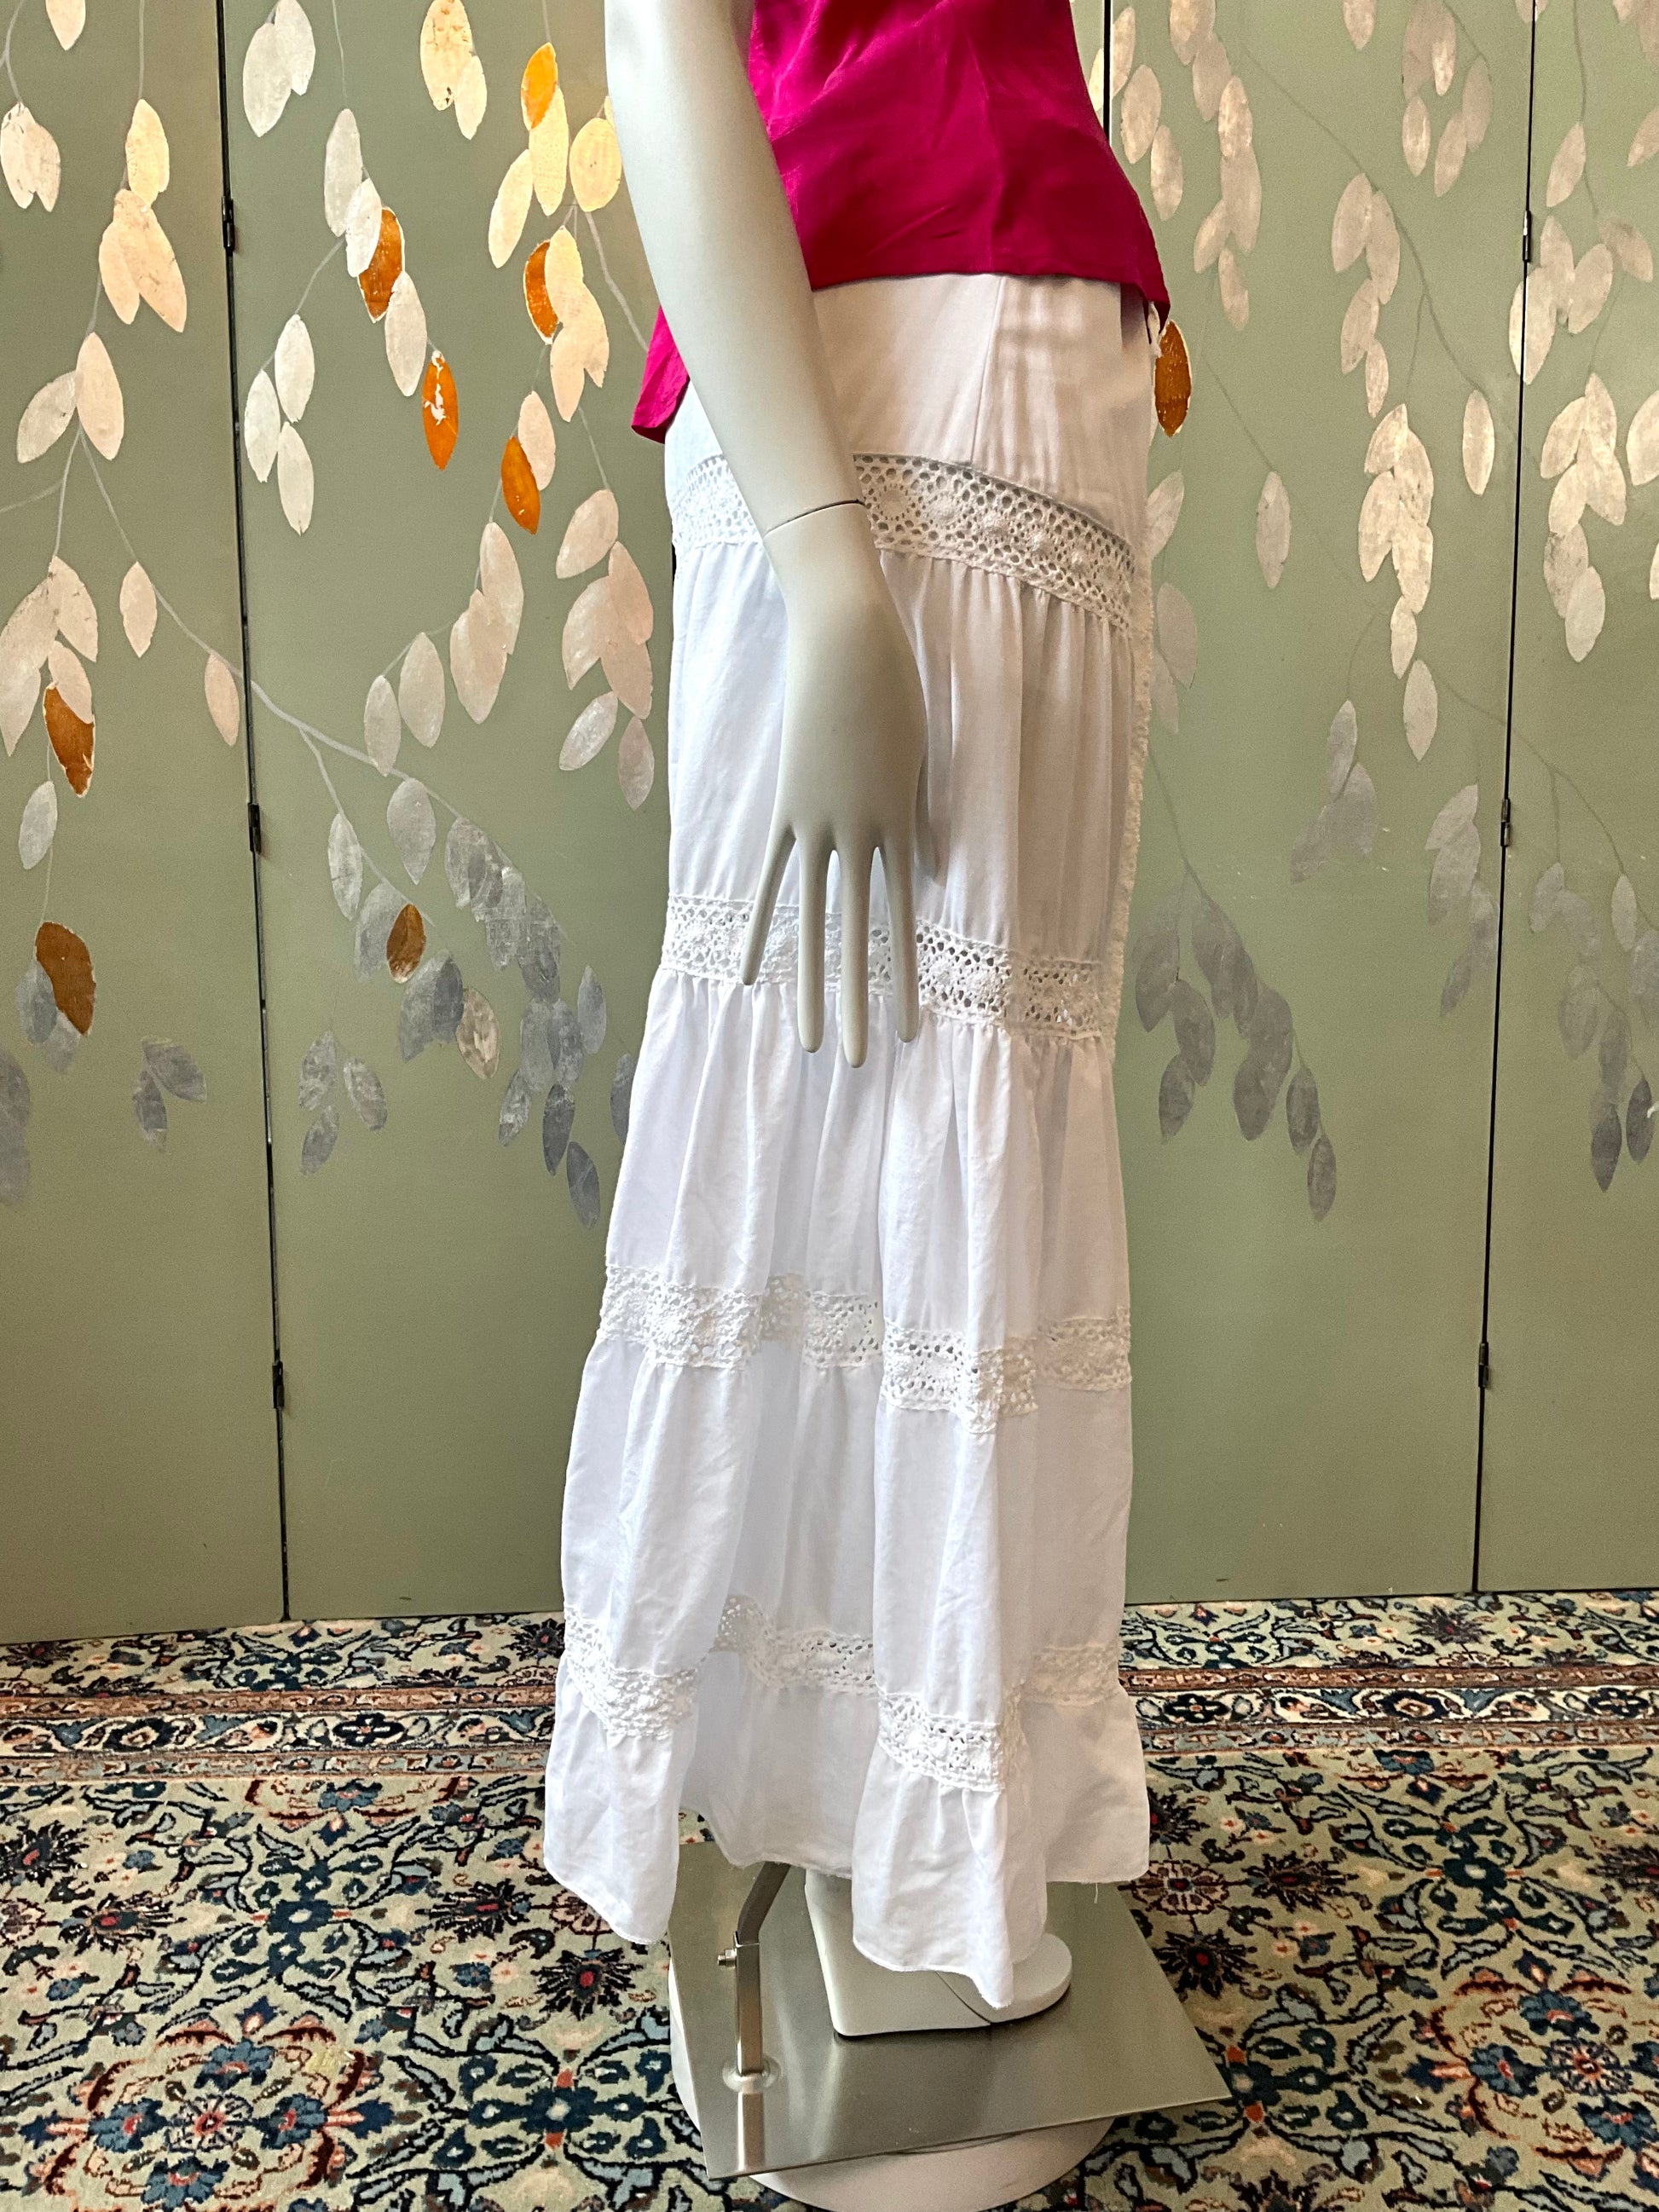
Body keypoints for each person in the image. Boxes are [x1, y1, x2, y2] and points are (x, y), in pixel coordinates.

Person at [543, 0, 1170, 2011]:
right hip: (885, 361)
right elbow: (664, 41)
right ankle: (897, 1824)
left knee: (936, 1084)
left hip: (968, 364)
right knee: (873, 1072)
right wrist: (828, 566)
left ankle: (903, 1817)